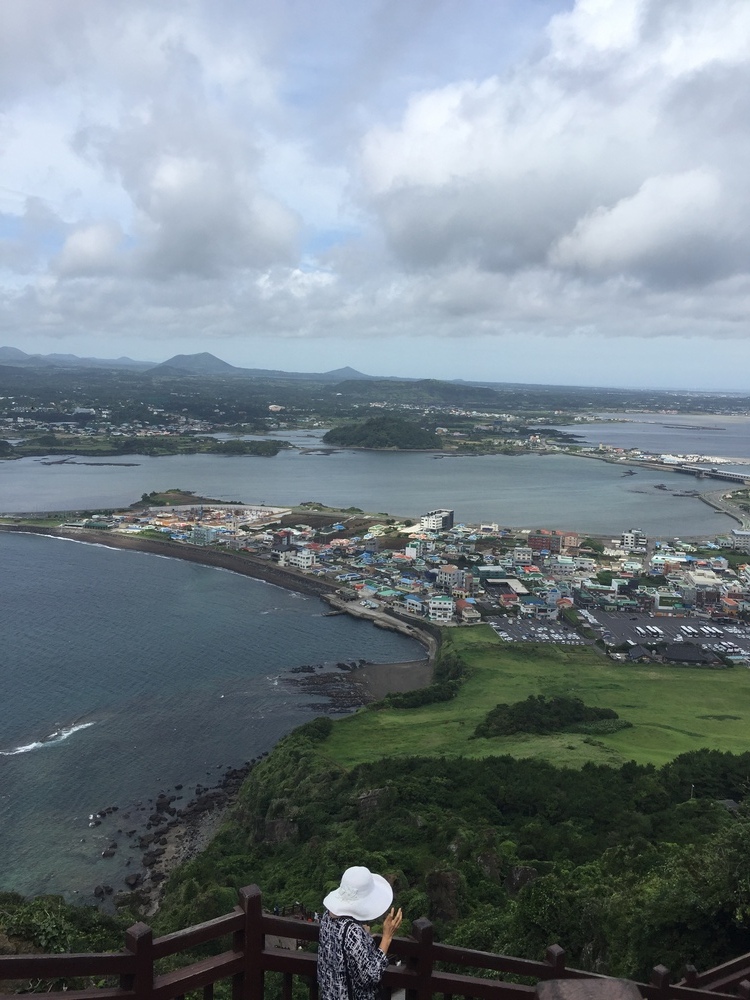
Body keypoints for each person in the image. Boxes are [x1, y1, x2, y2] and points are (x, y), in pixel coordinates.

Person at [317, 866, 403, 1000]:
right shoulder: (353, 932)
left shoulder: (326, 917)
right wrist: (386, 937)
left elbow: (342, 951)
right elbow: (371, 976)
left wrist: (364, 936)